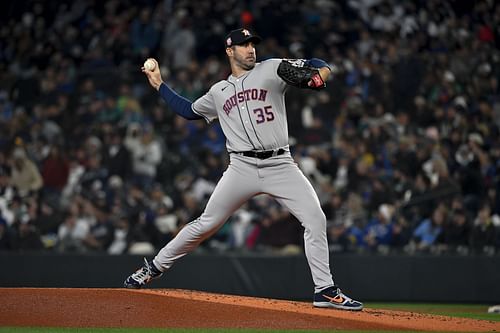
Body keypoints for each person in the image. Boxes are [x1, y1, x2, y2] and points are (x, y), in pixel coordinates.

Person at [123, 28, 363, 311]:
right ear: (229, 51)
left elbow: (314, 67)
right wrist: (159, 84)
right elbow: (188, 111)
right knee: (206, 224)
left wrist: (322, 70)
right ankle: (152, 268)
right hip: (241, 167)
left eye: (252, 44)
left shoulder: (272, 69)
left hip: (280, 164)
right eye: (243, 45)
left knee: (315, 219)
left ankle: (324, 290)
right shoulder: (218, 91)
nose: (250, 49)